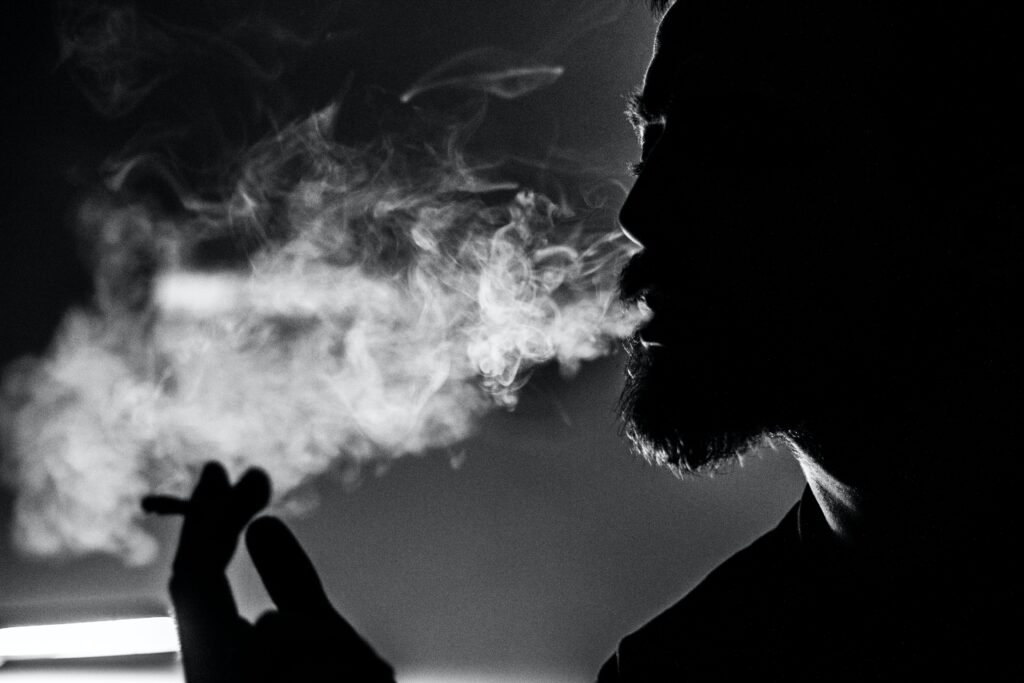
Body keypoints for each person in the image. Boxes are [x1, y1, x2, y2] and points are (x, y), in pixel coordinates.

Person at [163, 1, 1023, 680]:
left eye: (736, 142)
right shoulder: (682, 670)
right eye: (654, 138)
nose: (641, 213)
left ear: (954, 193)